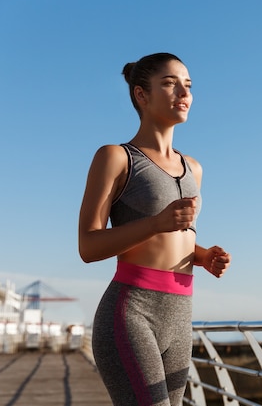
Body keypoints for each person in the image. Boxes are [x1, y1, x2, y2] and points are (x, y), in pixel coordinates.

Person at [78, 52, 231, 406]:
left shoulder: (194, 168)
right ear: (140, 95)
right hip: (132, 312)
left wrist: (203, 255)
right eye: (170, 83)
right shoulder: (116, 157)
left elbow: (177, 237)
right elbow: (88, 246)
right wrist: (157, 223)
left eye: (188, 85)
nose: (184, 92)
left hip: (181, 314)